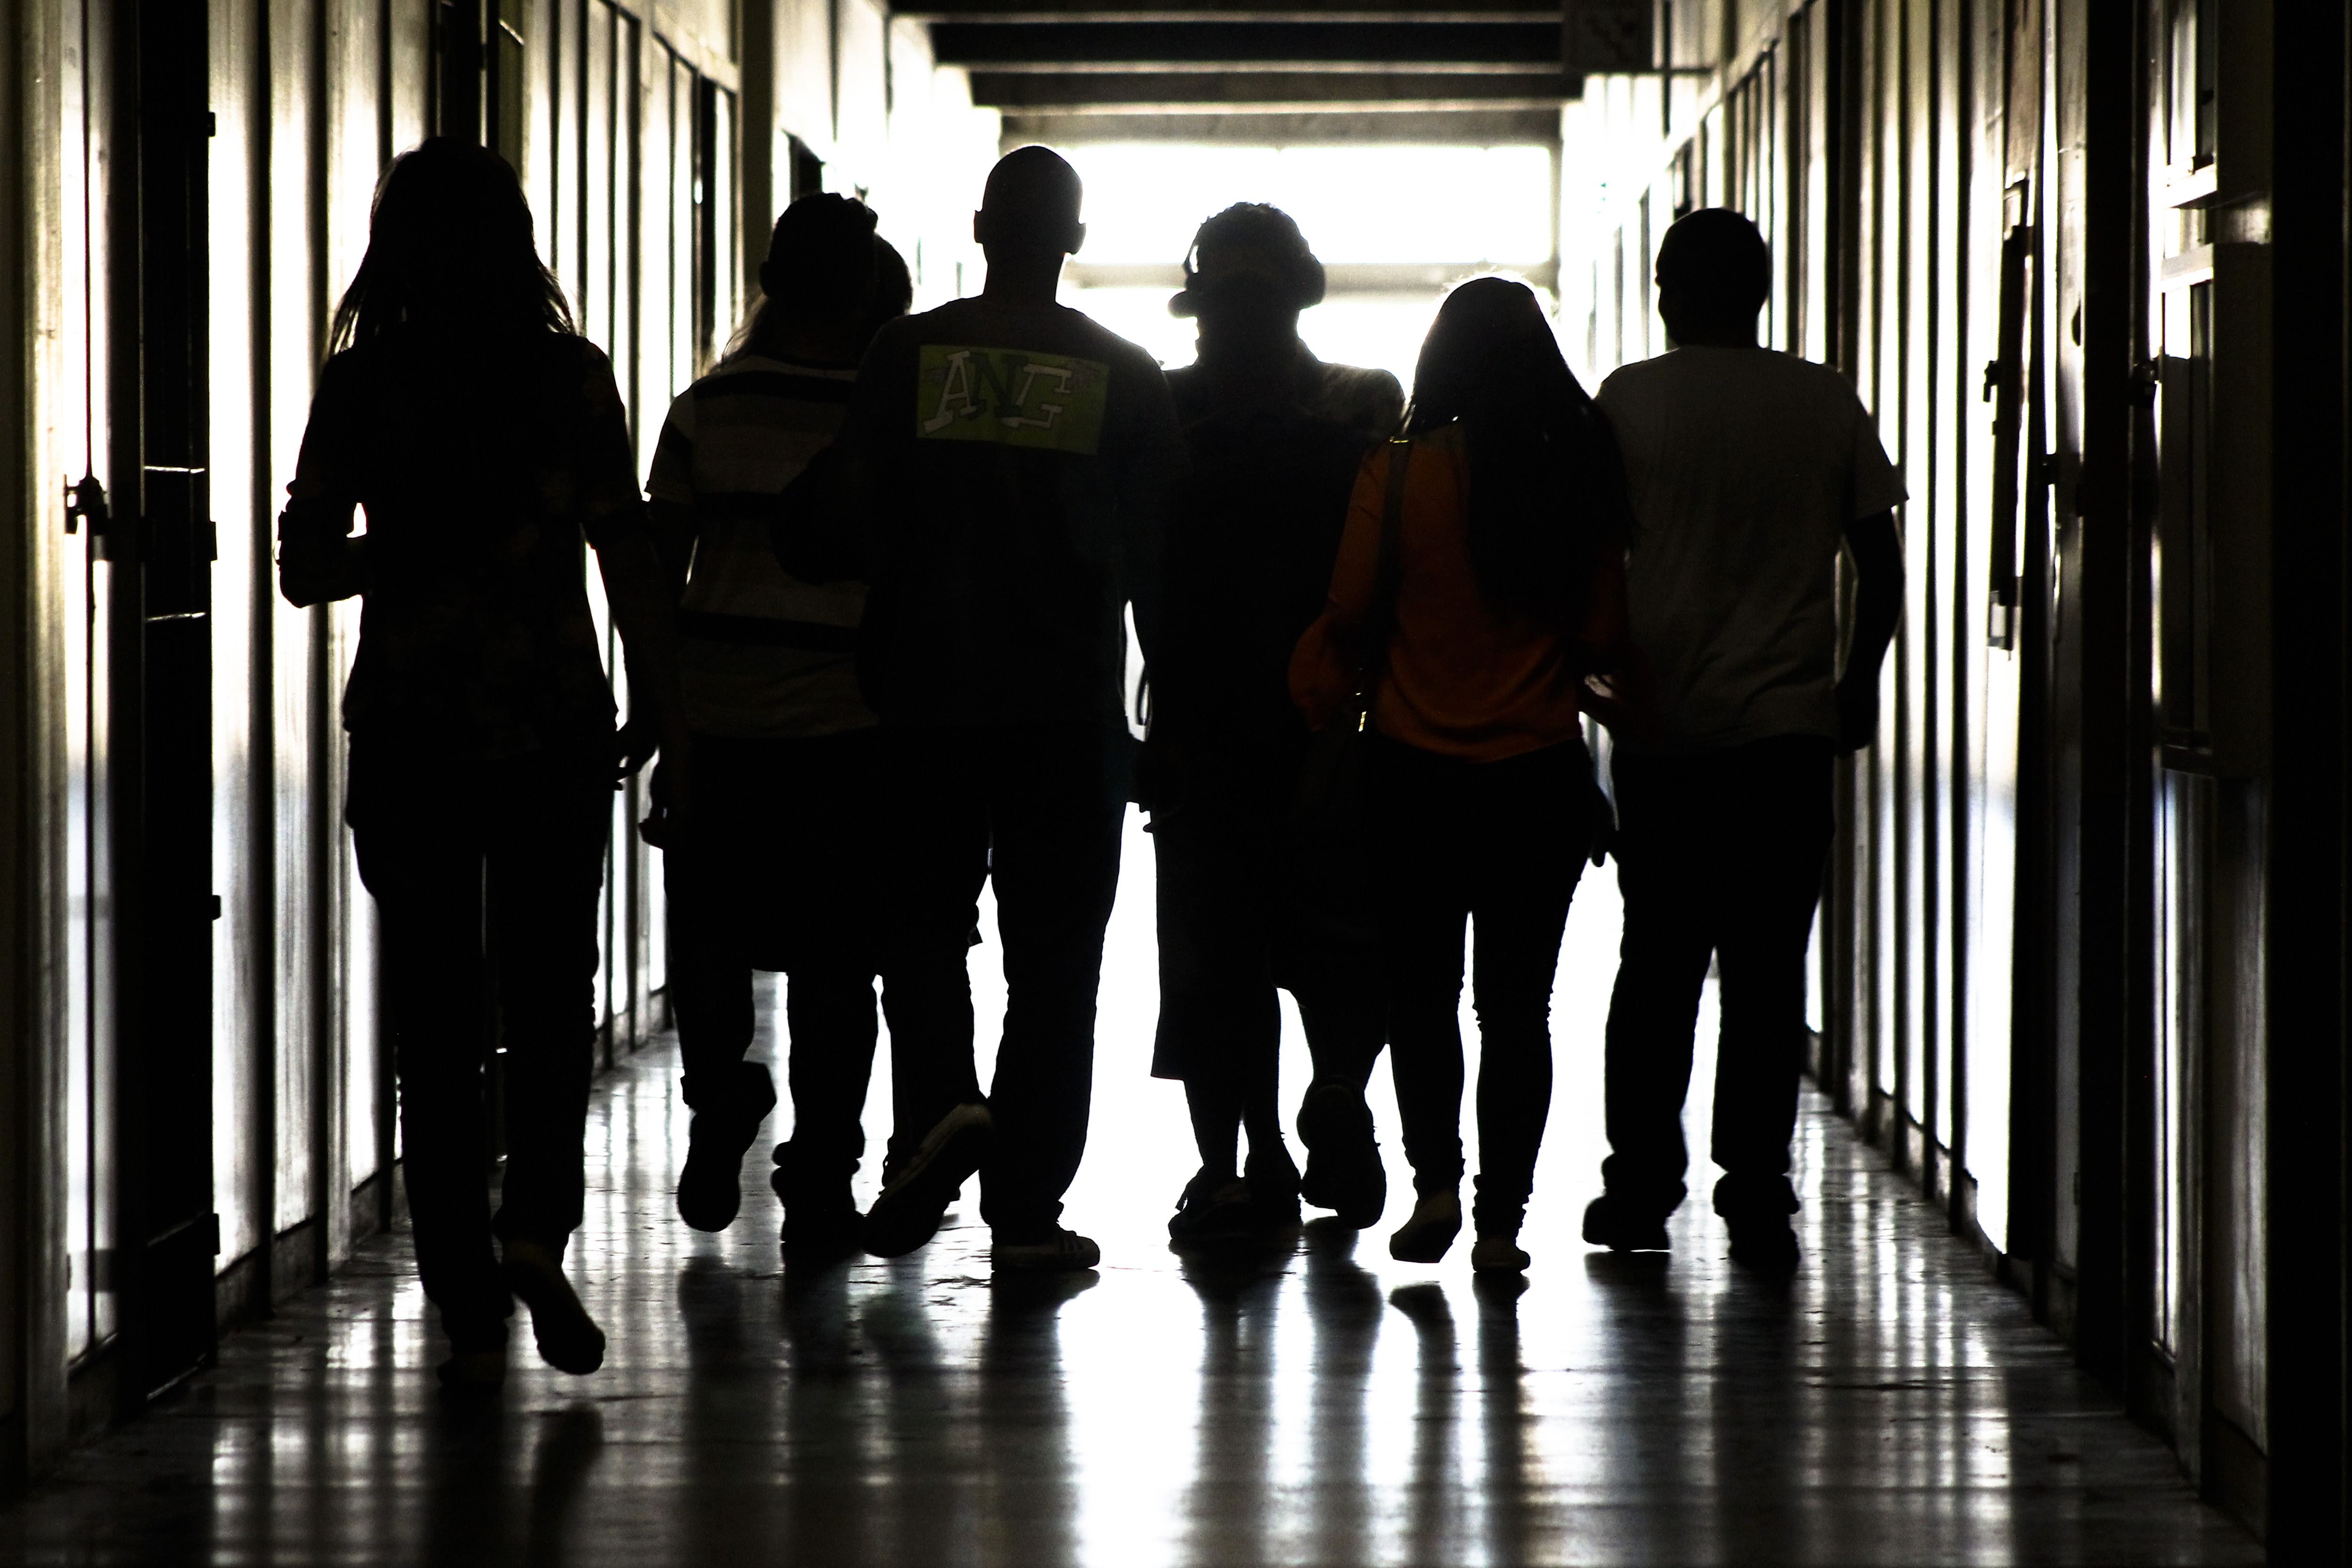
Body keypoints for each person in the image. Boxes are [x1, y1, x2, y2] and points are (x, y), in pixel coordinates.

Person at [277, 139, 689, 1387]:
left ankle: (460, 1280)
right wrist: (661, 685)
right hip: (553, 722)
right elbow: (624, 546)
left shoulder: (365, 385)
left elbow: (302, 563)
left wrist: (403, 550)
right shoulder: (569, 378)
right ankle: (532, 1228)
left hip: (407, 729)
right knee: (554, 996)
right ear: (516, 241)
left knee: (437, 1016)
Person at [774, 146, 1186, 1272]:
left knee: (919, 936)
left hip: (921, 704)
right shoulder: (1125, 372)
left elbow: (839, 523)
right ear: (1076, 240)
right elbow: (1159, 565)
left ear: (976, 225)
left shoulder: (907, 354)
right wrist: (1166, 719)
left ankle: (942, 1114)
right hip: (1067, 717)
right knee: (1056, 963)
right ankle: (1026, 1207)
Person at [1291, 277, 1641, 1273]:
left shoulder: (1397, 472)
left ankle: (1434, 1185)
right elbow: (1607, 634)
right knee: (1517, 1009)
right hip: (1535, 779)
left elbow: (1351, 607)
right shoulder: (1575, 473)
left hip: (1411, 775)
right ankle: (1501, 1220)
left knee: (1421, 996)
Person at [1581, 207, 1905, 1275]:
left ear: (1668, 286)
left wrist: (1594, 691)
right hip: (1784, 734)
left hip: (1665, 735)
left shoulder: (1629, 399)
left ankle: (1637, 1184)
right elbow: (1882, 564)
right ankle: (1755, 1188)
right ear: (1761, 289)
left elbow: (1584, 562)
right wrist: (1853, 685)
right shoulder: (1821, 398)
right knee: (1766, 970)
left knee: (1657, 965)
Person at [644, 196, 912, 1260]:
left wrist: (660, 721)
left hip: (719, 723)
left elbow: (657, 581)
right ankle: (820, 1178)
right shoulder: (885, 422)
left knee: (708, 949)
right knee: (838, 971)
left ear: (767, 277)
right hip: (852, 731)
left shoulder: (706, 406)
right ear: (865, 291)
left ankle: (722, 1098)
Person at [1142, 203, 1403, 1247]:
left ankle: (1239, 1167)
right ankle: (1335, 1084)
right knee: (1341, 938)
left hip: (1205, 722)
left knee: (1215, 958)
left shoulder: (1166, 412)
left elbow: (1141, 576)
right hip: (1336, 720)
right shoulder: (1361, 405)